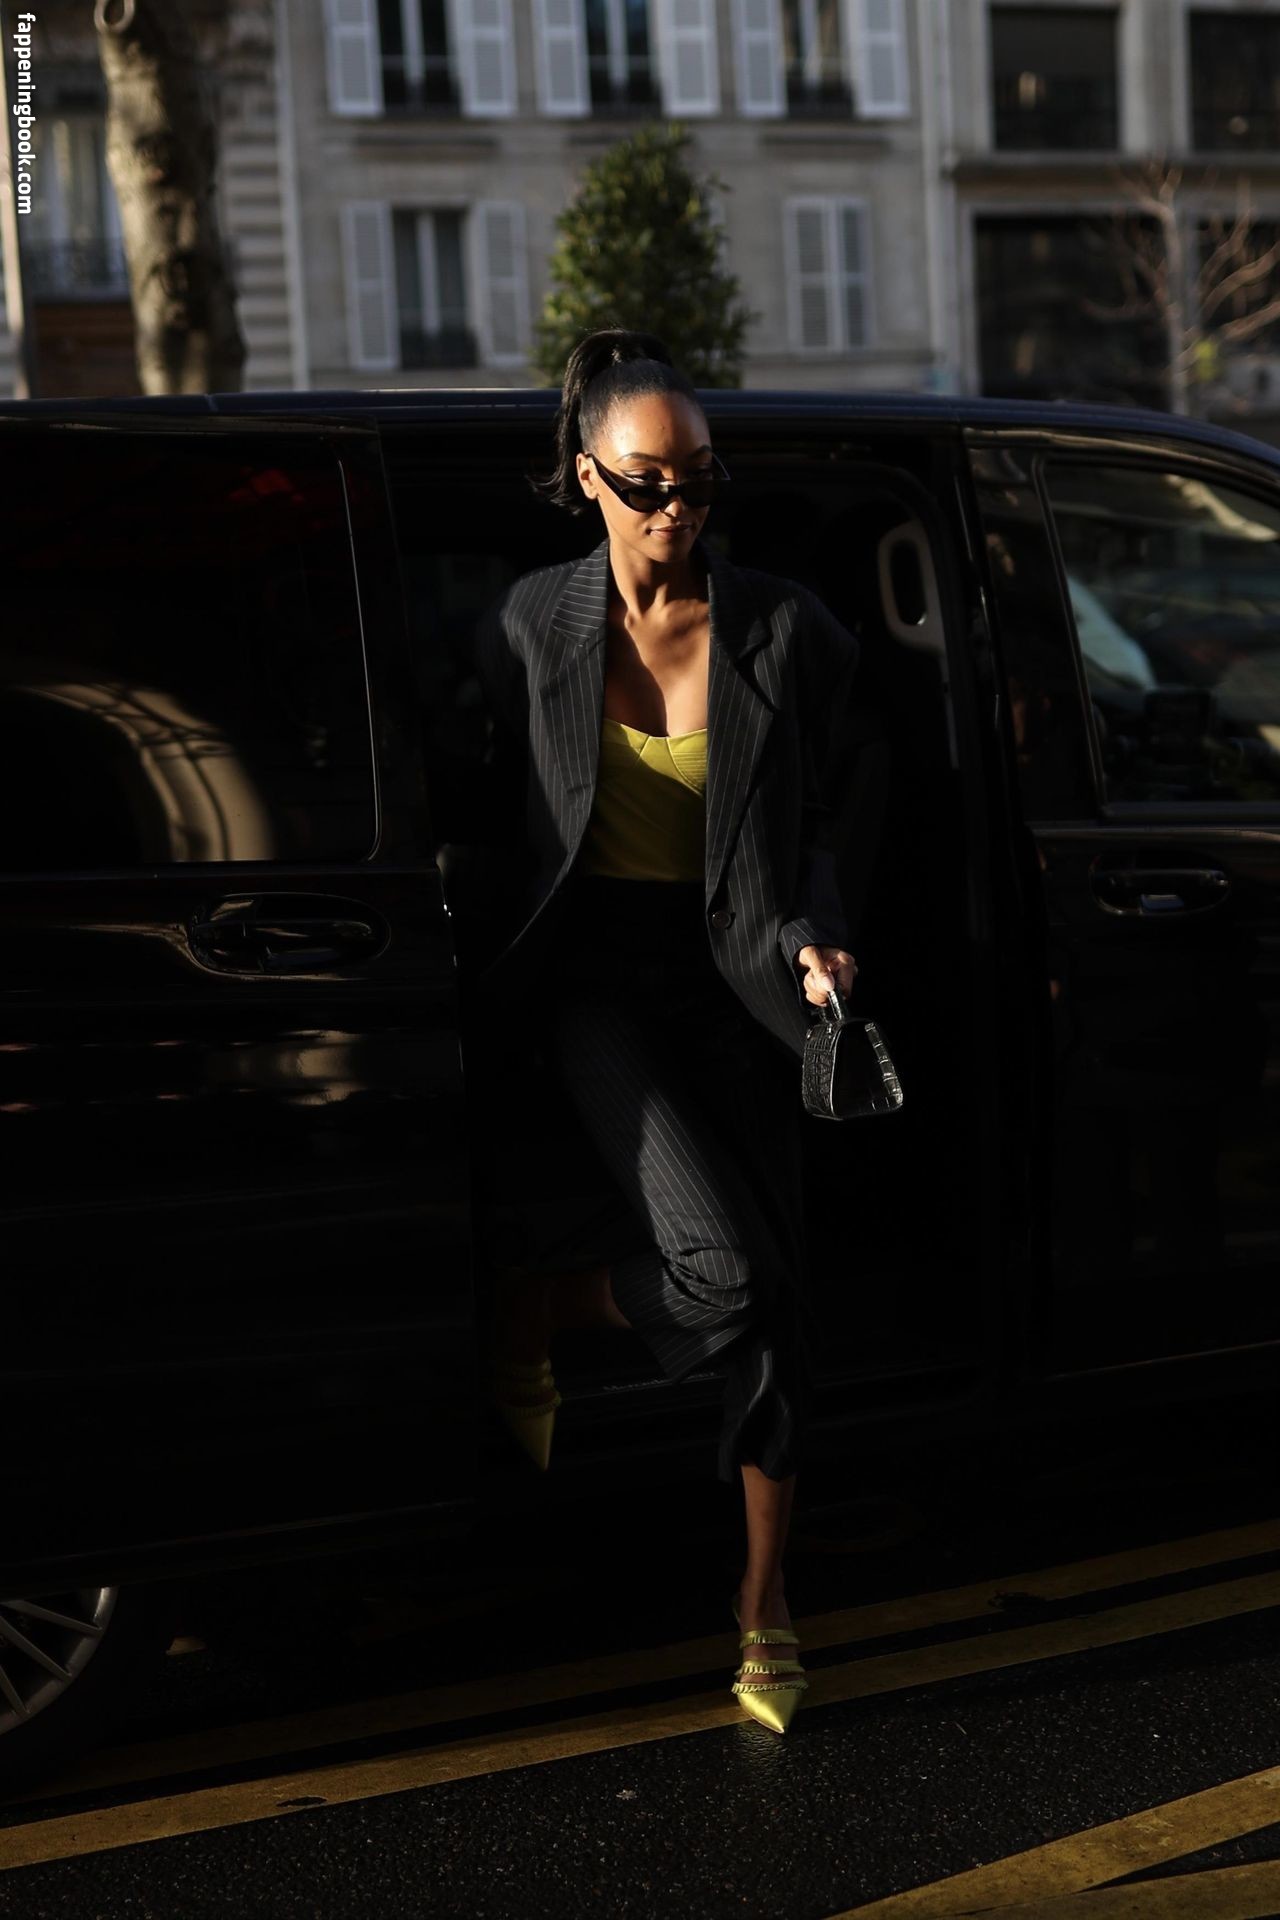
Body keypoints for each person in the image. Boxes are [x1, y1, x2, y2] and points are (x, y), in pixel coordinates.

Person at [470, 326, 860, 1734]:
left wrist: (819, 927)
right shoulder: (531, 627)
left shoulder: (785, 631)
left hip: (743, 981)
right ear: (587, 477)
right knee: (728, 1269)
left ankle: (764, 1603)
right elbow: (488, 814)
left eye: (697, 478)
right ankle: (540, 1302)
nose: (676, 506)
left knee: (778, 1312)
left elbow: (832, 818)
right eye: (645, 482)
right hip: (595, 987)